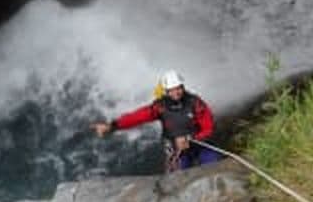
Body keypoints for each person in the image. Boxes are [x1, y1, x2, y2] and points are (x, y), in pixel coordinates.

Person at [91, 70, 222, 172]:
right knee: (176, 180)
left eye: (179, 88)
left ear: (183, 86)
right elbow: (137, 117)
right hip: (177, 151)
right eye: (172, 89)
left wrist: (192, 139)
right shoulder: (160, 107)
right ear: (166, 91)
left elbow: (209, 128)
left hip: (201, 145)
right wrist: (113, 126)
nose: (176, 92)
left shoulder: (195, 103)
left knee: (215, 168)